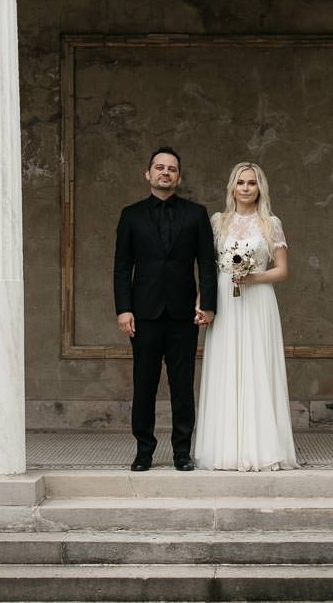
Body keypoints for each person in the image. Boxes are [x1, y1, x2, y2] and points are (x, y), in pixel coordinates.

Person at [112, 145, 216, 471]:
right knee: (144, 384)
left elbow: (207, 265)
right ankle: (144, 451)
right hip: (143, 314)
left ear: (179, 176)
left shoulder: (196, 214)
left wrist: (209, 305)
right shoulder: (130, 215)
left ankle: (181, 453)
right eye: (160, 167)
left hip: (184, 314)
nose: (165, 172)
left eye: (171, 169)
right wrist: (123, 309)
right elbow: (121, 267)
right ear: (148, 173)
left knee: (182, 386)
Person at [192, 160, 299, 471]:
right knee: (226, 365)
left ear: (259, 188)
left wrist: (255, 277)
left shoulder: (271, 223)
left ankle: (262, 448)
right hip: (225, 298)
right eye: (241, 183)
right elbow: (208, 268)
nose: (246, 188)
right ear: (233, 187)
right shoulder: (218, 222)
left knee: (256, 366)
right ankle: (226, 449)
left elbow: (282, 271)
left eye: (252, 183)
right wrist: (202, 301)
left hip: (258, 300)